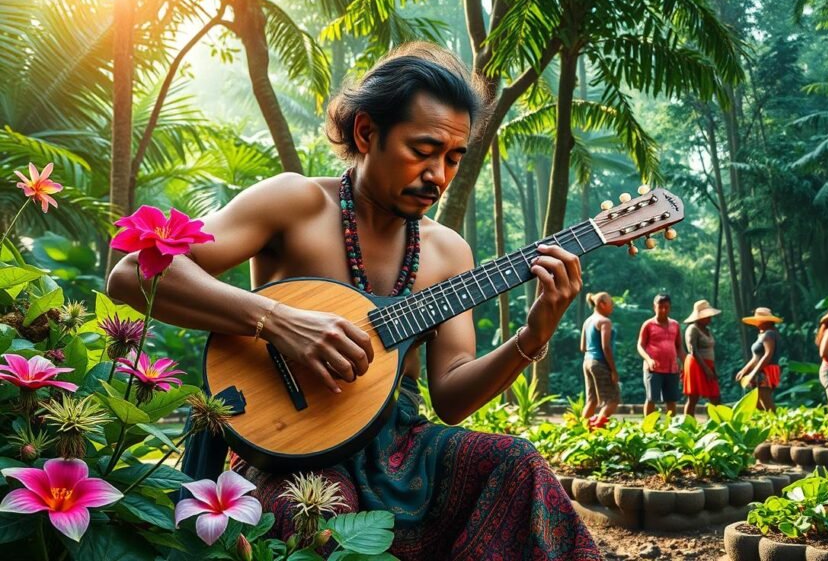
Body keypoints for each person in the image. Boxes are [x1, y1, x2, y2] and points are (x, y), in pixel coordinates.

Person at [106, 43, 600, 559]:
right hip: (285, 446)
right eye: (423, 150)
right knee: (318, 515)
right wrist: (276, 321)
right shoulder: (293, 202)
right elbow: (134, 274)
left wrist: (533, 335)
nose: (439, 175)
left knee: (516, 460)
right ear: (366, 132)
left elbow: (452, 396)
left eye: (453, 157)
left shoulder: (448, 252)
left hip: (403, 450)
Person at [636, 293, 685, 416]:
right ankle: (649, 428)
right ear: (654, 307)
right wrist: (648, 359)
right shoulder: (648, 325)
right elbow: (640, 345)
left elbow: (679, 347)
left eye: (666, 307)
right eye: (660, 307)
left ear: (670, 307)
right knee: (651, 398)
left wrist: (686, 364)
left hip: (671, 368)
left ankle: (671, 427)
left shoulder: (675, 325)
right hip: (653, 368)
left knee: (671, 400)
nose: (663, 310)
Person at [579, 292, 619, 429]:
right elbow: (606, 347)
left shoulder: (588, 321)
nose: (612, 306)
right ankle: (597, 429)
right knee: (612, 401)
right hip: (600, 362)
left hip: (587, 361)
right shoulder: (604, 321)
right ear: (602, 304)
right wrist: (613, 370)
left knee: (592, 400)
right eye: (610, 303)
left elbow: (583, 347)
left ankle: (580, 431)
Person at [735, 307, 783, 411]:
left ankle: (777, 424)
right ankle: (763, 424)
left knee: (765, 400)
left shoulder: (769, 334)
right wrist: (744, 370)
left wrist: (753, 373)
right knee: (756, 402)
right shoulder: (763, 334)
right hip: (761, 369)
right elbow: (756, 357)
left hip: (766, 370)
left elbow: (768, 355)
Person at [682, 299, 722, 416]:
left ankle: (714, 422)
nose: (709, 318)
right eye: (706, 316)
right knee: (693, 397)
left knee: (715, 396)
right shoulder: (692, 329)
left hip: (708, 364)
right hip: (696, 364)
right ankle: (688, 423)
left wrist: (712, 368)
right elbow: (693, 350)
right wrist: (706, 369)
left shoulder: (708, 330)